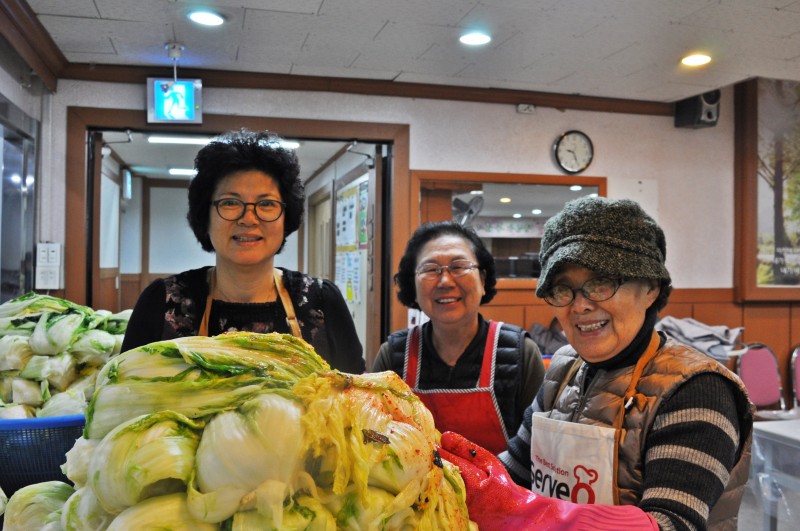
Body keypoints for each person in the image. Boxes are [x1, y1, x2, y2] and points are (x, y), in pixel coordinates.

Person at [439, 196, 752, 530]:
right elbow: (515, 472)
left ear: (650, 288)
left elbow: (671, 524)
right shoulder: (563, 369)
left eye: (600, 284)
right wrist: (445, 474)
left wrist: (528, 512)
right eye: (562, 289)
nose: (580, 305)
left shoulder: (697, 390)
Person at [121, 130, 365, 374]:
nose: (248, 219)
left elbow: (358, 399)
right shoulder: (162, 302)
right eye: (230, 202)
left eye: (266, 204)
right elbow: (125, 394)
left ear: (286, 218)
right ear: (205, 217)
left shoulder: (321, 301)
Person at [372, 221, 545, 454]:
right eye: (431, 269)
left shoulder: (522, 353)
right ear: (412, 285)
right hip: (415, 490)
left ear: (483, 280)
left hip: (503, 489)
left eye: (459, 266)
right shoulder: (392, 356)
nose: (445, 281)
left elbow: (539, 450)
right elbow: (373, 437)